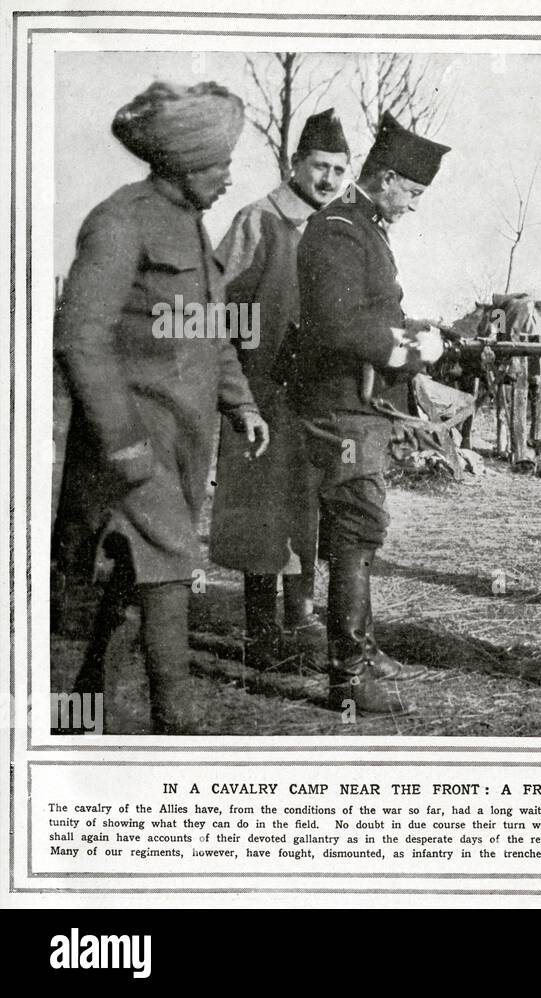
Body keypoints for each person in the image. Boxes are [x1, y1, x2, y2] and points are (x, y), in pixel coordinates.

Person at [54, 81, 268, 733]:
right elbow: (79, 339)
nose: (230, 179)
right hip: (133, 444)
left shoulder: (191, 230)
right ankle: (176, 722)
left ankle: (76, 713)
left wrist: (244, 405)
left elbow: (214, 333)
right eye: (219, 165)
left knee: (135, 580)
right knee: (171, 561)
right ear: (182, 163)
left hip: (181, 441)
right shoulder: (120, 222)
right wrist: (122, 443)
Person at [288, 111, 448, 716]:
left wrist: (423, 333)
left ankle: (364, 648)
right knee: (356, 529)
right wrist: (408, 346)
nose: (411, 204)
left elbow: (371, 312)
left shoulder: (362, 228)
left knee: (358, 528)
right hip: (339, 407)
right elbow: (337, 323)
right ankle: (347, 677)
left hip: (359, 406)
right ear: (383, 180)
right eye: (410, 191)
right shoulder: (337, 230)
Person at [209, 109, 352, 673]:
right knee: (260, 515)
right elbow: (214, 305)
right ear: (296, 163)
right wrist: (238, 387)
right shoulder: (257, 219)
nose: (329, 179)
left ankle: (300, 621)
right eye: (320, 166)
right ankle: (260, 634)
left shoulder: (336, 228)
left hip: (314, 399)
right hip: (260, 393)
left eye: (339, 170)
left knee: (305, 510)